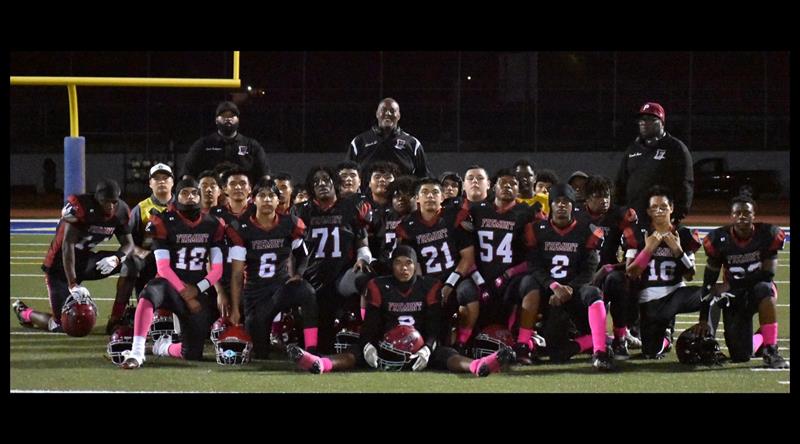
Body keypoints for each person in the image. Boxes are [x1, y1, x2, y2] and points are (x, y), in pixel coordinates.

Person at [286, 246, 515, 376]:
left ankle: (478, 365)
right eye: (398, 263)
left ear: (416, 266)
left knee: (448, 354)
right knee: (353, 353)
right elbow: (371, 325)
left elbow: (434, 326)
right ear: (392, 265)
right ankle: (320, 364)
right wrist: (368, 346)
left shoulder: (429, 286)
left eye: (408, 263)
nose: (403, 268)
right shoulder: (379, 285)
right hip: (387, 347)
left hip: (419, 349)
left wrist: (427, 349)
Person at [118, 178, 227, 369]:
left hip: (196, 287)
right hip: (169, 285)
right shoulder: (164, 220)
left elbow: (217, 269)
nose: (190, 197)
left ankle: (162, 347)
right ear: (177, 196)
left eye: (194, 193)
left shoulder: (213, 224)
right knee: (149, 293)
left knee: (192, 353)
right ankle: (137, 352)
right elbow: (163, 268)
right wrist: (186, 293)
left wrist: (197, 289)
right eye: (185, 193)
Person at [14, 179, 133, 333]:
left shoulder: (121, 210)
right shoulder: (81, 208)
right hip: (60, 268)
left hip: (86, 261)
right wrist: (73, 284)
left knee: (133, 262)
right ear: (97, 199)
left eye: (114, 202)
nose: (110, 206)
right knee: (61, 325)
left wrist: (117, 257)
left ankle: (118, 317)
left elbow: (129, 244)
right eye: (106, 201)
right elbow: (67, 246)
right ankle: (25, 313)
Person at [516, 184, 614, 371]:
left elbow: (589, 269)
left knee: (593, 292)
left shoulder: (587, 230)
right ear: (551, 205)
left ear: (572, 206)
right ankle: (523, 344)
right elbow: (534, 265)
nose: (561, 205)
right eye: (557, 202)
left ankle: (600, 352)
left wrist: (569, 288)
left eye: (566, 202)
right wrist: (554, 286)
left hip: (574, 291)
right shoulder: (537, 229)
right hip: (548, 294)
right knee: (557, 353)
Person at [226, 178, 319, 359]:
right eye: (262, 195)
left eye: (271, 196)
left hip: (281, 288)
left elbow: (303, 255)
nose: (267, 199)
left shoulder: (290, 223)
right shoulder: (241, 227)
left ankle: (311, 350)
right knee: (260, 353)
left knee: (307, 291)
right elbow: (237, 274)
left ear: (278, 201)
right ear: (253, 200)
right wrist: (236, 309)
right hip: (256, 294)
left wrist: (298, 274)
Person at [696, 194, 788, 368]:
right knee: (741, 355)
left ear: (754, 215)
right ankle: (762, 337)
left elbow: (767, 275)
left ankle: (771, 349)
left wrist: (730, 284)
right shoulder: (719, 239)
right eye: (737, 213)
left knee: (765, 289)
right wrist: (703, 319)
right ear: (731, 216)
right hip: (734, 297)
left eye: (746, 213)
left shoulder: (767, 234)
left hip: (757, 292)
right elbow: (709, 283)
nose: (742, 217)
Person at [291, 166, 372, 353]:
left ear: (335, 182)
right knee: (321, 339)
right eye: (316, 182)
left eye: (326, 180)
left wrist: (363, 259)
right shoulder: (301, 211)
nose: (321, 184)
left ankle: (369, 336)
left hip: (341, 276)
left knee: (365, 279)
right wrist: (295, 274)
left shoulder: (350, 207)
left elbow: (362, 244)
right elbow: (291, 250)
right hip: (311, 276)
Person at [395, 178, 477, 353]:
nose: (430, 196)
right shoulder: (408, 225)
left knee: (469, 292)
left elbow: (467, 258)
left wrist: (449, 284)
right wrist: (423, 287)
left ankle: (462, 343)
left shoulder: (453, 217)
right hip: (426, 280)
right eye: (425, 192)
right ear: (417, 198)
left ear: (442, 197)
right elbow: (411, 263)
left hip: (454, 277)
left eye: (435, 192)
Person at [622, 186, 702, 359]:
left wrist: (678, 250)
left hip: (676, 294)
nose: (659, 211)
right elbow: (631, 273)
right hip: (650, 300)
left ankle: (704, 331)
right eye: (654, 207)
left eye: (663, 207)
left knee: (713, 294)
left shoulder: (684, 234)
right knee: (650, 352)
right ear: (648, 211)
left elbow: (690, 274)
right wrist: (648, 249)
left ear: (671, 208)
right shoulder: (638, 233)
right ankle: (666, 337)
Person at [106, 163, 175, 334]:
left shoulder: (182, 206)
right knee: (130, 264)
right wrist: (142, 253)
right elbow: (129, 243)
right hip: (150, 260)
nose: (161, 182)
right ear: (150, 183)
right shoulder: (140, 209)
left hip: (175, 261)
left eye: (165, 178)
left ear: (172, 182)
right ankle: (116, 316)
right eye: (156, 179)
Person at [578, 175, 641, 359]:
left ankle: (620, 337)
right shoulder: (576, 214)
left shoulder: (620, 215)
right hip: (582, 275)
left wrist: (609, 268)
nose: (604, 200)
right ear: (587, 198)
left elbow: (632, 248)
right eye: (598, 196)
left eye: (607, 195)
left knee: (618, 280)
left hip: (610, 271)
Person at [615, 102, 693, 224]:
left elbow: (685, 184)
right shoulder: (633, 148)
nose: (644, 123)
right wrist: (620, 210)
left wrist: (678, 215)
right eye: (641, 119)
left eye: (650, 119)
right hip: (635, 218)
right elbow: (621, 182)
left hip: (662, 219)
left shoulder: (676, 148)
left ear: (662, 122)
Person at [182, 101, 269, 185]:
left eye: (232, 116)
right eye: (224, 116)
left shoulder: (252, 145)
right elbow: (187, 175)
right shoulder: (202, 145)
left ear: (238, 120)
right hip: (210, 193)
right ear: (216, 120)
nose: (228, 119)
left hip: (243, 193)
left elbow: (264, 176)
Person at [346, 97, 431, 180]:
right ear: (377, 114)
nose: (388, 113)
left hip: (402, 190)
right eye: (383, 110)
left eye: (392, 111)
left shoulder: (412, 143)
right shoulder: (359, 141)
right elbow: (348, 174)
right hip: (367, 190)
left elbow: (423, 177)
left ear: (398, 116)